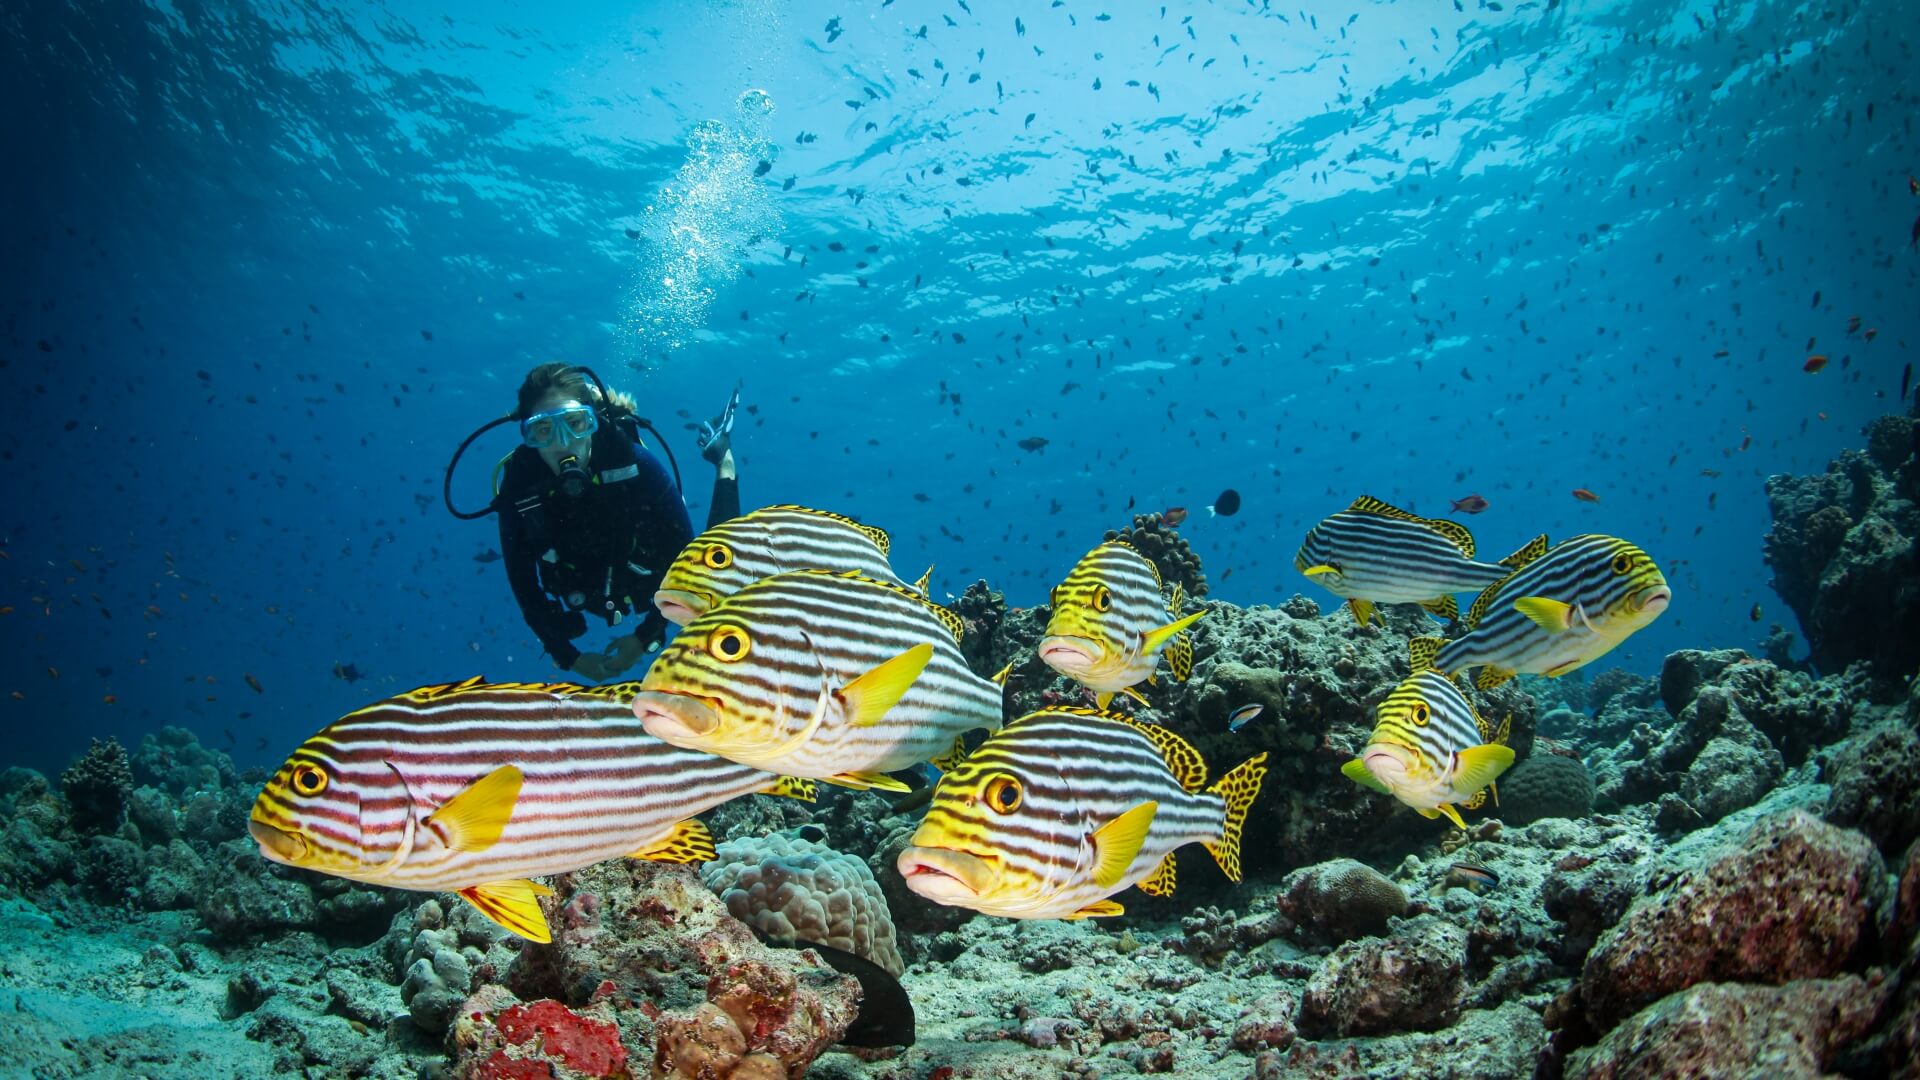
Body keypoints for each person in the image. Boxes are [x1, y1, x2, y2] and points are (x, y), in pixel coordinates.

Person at [491, 363, 739, 681]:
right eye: (544, 430)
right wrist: (568, 657)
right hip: (584, 586)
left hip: (646, 573)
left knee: (719, 565)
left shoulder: (634, 462)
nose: (563, 442)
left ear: (591, 422)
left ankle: (724, 458)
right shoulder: (520, 487)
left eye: (575, 423)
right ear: (528, 435)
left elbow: (690, 560)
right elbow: (522, 581)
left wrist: (646, 635)